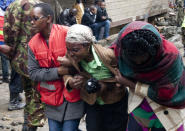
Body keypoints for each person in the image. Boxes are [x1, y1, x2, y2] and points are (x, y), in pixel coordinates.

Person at [111, 21, 185, 131]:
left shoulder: (169, 58)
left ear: (154, 52)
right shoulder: (122, 48)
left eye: (144, 59)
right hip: (139, 109)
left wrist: (129, 83)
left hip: (166, 113)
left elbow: (165, 94)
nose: (139, 63)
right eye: (133, 59)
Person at [28, 3, 84, 131]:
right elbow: (33, 73)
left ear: (48, 19)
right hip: (51, 98)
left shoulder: (68, 33)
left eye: (35, 18)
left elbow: (87, 57)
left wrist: (74, 70)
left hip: (73, 95)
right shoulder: (32, 44)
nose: (31, 22)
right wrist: (58, 71)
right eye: (30, 19)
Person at [64, 24, 128, 131]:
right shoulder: (71, 54)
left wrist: (111, 85)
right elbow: (65, 71)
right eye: (68, 49)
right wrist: (70, 81)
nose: (70, 54)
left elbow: (125, 73)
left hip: (115, 102)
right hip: (92, 102)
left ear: (88, 45)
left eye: (75, 50)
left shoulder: (108, 56)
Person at [3, 0, 46, 130]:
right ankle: (30, 126)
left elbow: (7, 32)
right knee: (36, 96)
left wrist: (13, 52)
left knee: (29, 94)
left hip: (19, 57)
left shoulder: (12, 6)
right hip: (37, 57)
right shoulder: (39, 5)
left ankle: (27, 125)